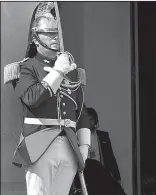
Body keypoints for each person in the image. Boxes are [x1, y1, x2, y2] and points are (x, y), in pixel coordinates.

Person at [6, 2, 91, 195]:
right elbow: (32, 97)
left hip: (69, 146)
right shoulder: (27, 68)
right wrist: (57, 72)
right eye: (49, 33)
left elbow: (81, 112)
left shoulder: (73, 71)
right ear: (36, 38)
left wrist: (84, 145)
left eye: (57, 33)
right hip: (40, 144)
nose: (55, 38)